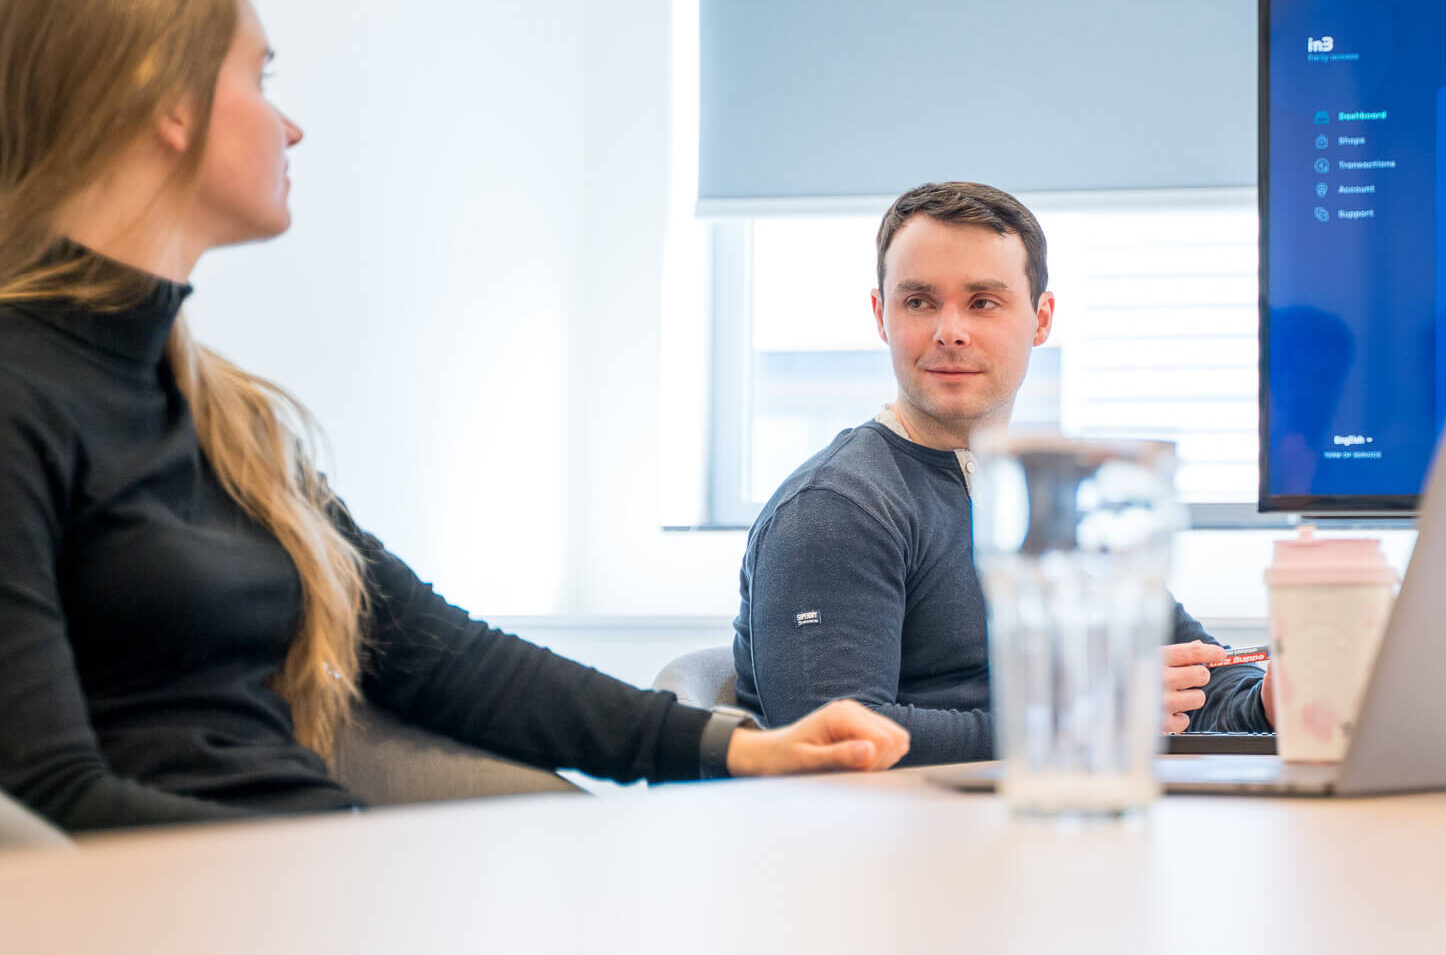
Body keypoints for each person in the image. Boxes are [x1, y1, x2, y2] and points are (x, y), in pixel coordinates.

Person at [0, 0, 910, 834]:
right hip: (181, 916)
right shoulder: (20, 398)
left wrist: (738, 748)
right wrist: (345, 868)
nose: (291, 126)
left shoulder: (226, 417)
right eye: (260, 78)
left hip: (310, 882)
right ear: (167, 102)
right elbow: (47, 796)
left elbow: (443, 658)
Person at [734, 182, 1273, 766]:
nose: (950, 331)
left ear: (1041, 319)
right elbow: (837, 745)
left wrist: (1269, 701)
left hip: (1048, 812)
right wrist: (1082, 716)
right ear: (881, 316)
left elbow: (1194, 678)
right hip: (906, 824)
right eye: (918, 302)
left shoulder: (1048, 500)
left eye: (983, 302)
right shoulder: (835, 509)